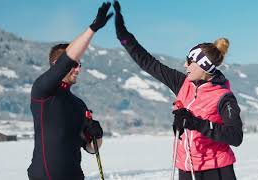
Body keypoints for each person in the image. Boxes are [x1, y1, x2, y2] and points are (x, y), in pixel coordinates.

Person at [113, 1, 243, 180]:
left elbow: (235, 136)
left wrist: (196, 123)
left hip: (217, 170)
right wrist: (124, 36)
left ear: (202, 66)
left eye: (189, 61)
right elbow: (149, 63)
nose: (185, 65)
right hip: (186, 168)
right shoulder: (182, 83)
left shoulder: (224, 97)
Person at [27, 2, 113, 180]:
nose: (78, 68)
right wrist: (92, 29)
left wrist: (96, 135)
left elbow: (91, 149)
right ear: (56, 65)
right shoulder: (43, 91)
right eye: (74, 64)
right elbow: (67, 59)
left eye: (80, 65)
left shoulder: (79, 104)